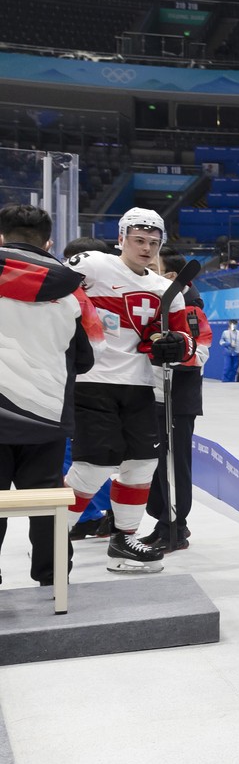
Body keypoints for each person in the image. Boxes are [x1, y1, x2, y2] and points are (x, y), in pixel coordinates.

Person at [63, 208, 196, 573]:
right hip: (93, 382)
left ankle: (123, 540)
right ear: (120, 239)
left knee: (142, 464)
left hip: (140, 386)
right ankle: (54, 537)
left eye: (154, 243)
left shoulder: (166, 290)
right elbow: (55, 294)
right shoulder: (93, 265)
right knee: (93, 466)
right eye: (139, 240)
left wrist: (175, 345)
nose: (146, 248)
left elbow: (185, 339)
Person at [0, 204, 96, 586]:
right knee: (47, 503)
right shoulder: (72, 291)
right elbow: (86, 359)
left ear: (2, 238)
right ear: (49, 242)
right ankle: (53, 582)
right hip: (46, 415)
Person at [144, 254, 212, 552]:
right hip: (155, 395)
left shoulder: (191, 307)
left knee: (174, 464)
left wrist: (180, 349)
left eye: (155, 269)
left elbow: (201, 351)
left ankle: (176, 527)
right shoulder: (158, 302)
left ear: (171, 276)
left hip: (178, 397)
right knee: (158, 465)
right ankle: (162, 522)